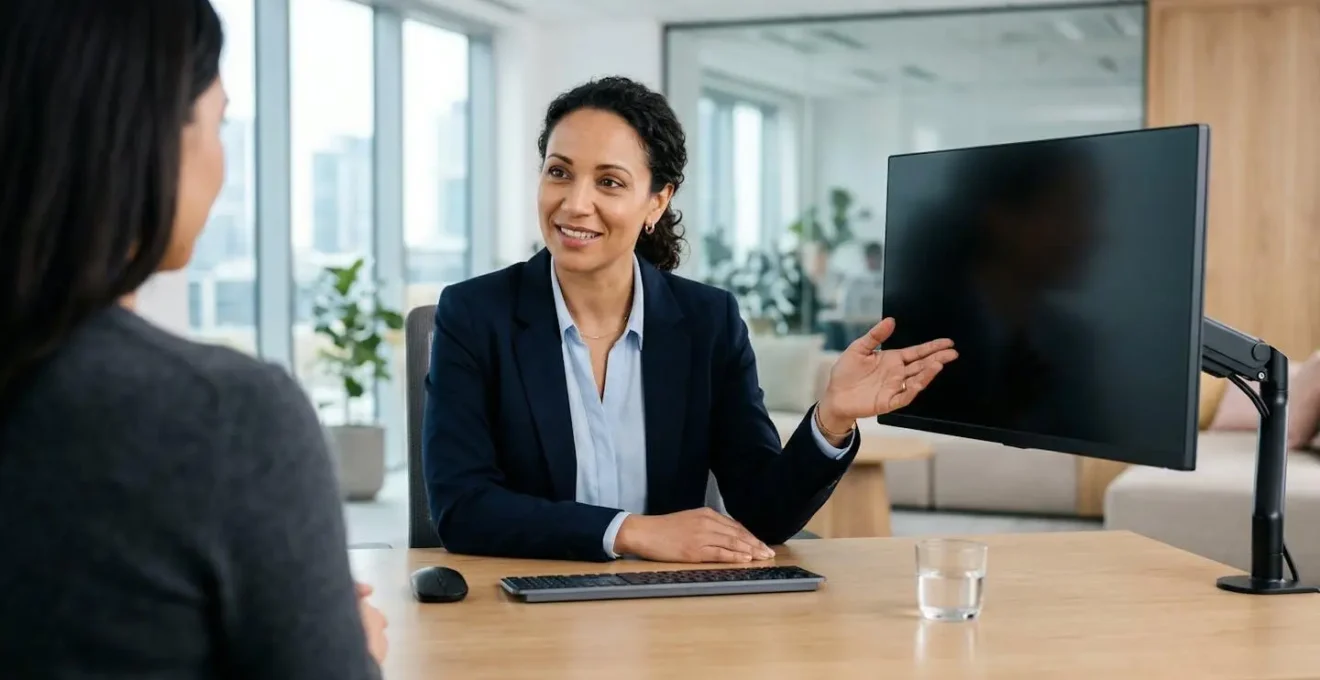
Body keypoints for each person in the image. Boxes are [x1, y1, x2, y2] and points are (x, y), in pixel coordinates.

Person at [421, 76, 958, 564]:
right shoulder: (474, 314)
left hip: (671, 611)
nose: (575, 203)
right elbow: (463, 509)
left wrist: (832, 418)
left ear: (657, 201)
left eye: (609, 182)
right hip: (524, 606)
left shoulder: (708, 322)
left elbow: (762, 514)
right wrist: (629, 531)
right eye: (559, 172)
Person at [0, 1, 386, 677]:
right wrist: (355, 650)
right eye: (219, 122)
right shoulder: (226, 413)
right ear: (146, 136)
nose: (222, 161)